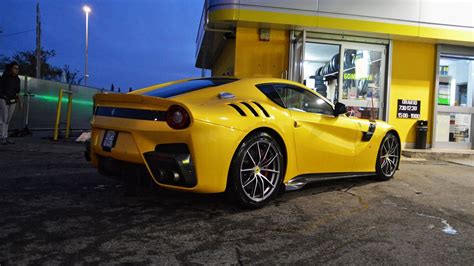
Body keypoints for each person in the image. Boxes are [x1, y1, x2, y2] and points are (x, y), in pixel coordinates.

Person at [0, 61, 21, 145]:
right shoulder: (4, 77)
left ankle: (5, 136)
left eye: (18, 69)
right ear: (11, 68)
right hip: (4, 99)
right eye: (15, 68)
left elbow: (17, 91)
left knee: (8, 119)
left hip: (13, 100)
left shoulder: (17, 79)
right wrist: (3, 97)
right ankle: (2, 137)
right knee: (3, 118)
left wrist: (19, 101)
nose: (17, 70)